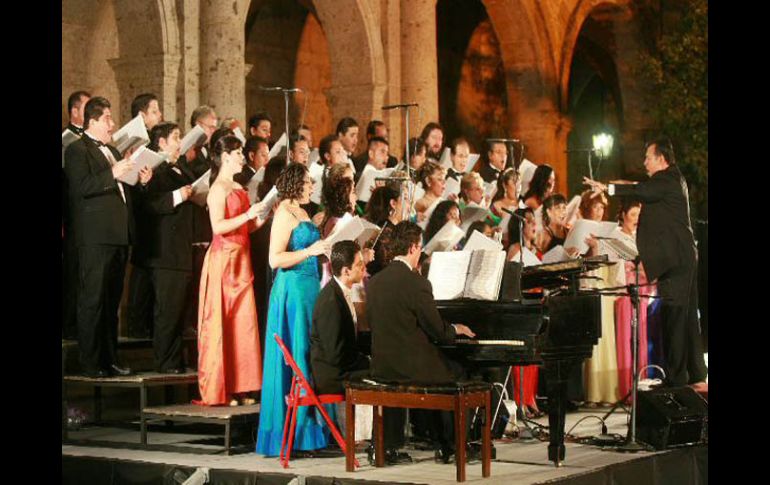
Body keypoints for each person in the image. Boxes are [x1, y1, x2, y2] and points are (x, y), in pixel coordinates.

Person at [584, 138, 707, 390]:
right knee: (686, 318)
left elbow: (639, 190)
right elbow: (641, 187)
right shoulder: (672, 179)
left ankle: (675, 379)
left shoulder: (666, 180)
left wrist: (607, 188)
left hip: (675, 260)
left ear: (662, 159)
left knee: (674, 316)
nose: (644, 162)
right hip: (682, 257)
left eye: (648, 157)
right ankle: (695, 372)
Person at [367, 221, 475, 463]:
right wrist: (455, 328)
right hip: (410, 369)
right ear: (414, 247)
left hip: (383, 366)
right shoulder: (417, 283)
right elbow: (438, 331)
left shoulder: (374, 282)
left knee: (440, 368)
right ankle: (454, 446)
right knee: (459, 372)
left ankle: (432, 444)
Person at [64, 96, 153, 377]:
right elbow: (80, 187)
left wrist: (140, 181)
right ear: (92, 121)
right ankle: (91, 363)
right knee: (93, 300)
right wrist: (112, 172)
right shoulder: (77, 150)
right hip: (95, 237)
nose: (112, 124)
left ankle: (110, 358)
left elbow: (122, 190)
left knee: (112, 301)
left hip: (118, 235)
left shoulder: (112, 151)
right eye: (107, 119)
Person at [256, 163, 332, 456]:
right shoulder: (284, 212)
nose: (312, 186)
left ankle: (310, 433)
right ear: (295, 183)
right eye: (308, 181)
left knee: (310, 355)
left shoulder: (304, 212)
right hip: (292, 290)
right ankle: (293, 434)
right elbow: (275, 259)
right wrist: (309, 251)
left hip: (311, 288)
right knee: (296, 354)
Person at [196, 135, 264, 406]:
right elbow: (218, 227)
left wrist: (261, 215)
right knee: (222, 322)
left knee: (242, 323)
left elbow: (246, 228)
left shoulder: (238, 186)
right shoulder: (217, 189)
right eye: (238, 153)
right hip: (224, 260)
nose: (242, 158)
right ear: (225, 157)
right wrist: (248, 216)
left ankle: (242, 386)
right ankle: (221, 387)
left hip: (242, 259)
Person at [131, 122, 194, 373]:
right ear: (161, 143)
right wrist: (179, 196)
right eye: (176, 137)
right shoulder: (153, 170)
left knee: (178, 309)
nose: (180, 142)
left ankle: (175, 360)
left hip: (182, 249)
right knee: (167, 310)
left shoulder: (180, 169)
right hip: (164, 252)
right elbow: (148, 204)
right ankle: (165, 362)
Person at [310, 240, 371, 438]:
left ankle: (375, 437)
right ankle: (372, 439)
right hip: (332, 374)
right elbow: (336, 353)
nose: (364, 268)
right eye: (359, 264)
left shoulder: (342, 292)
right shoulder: (330, 301)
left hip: (343, 365)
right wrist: (366, 360)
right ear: (345, 271)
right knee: (382, 373)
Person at [611, 199, 653, 400]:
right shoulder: (615, 236)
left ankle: (641, 387)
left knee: (641, 339)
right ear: (623, 215)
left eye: (639, 215)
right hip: (625, 291)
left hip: (641, 288)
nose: (637, 219)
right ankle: (627, 388)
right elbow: (614, 264)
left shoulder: (641, 237)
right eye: (633, 214)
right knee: (627, 339)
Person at [505, 208, 542, 417]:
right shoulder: (515, 249)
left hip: (536, 300)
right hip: (523, 301)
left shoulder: (533, 248)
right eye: (528, 222)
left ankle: (530, 398)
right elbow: (512, 278)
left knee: (533, 358)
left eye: (533, 221)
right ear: (520, 225)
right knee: (523, 357)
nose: (533, 225)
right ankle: (521, 401)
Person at [62, 90, 91, 340]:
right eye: (86, 108)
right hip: (71, 214)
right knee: (72, 273)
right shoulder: (66, 140)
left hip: (86, 215)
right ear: (74, 112)